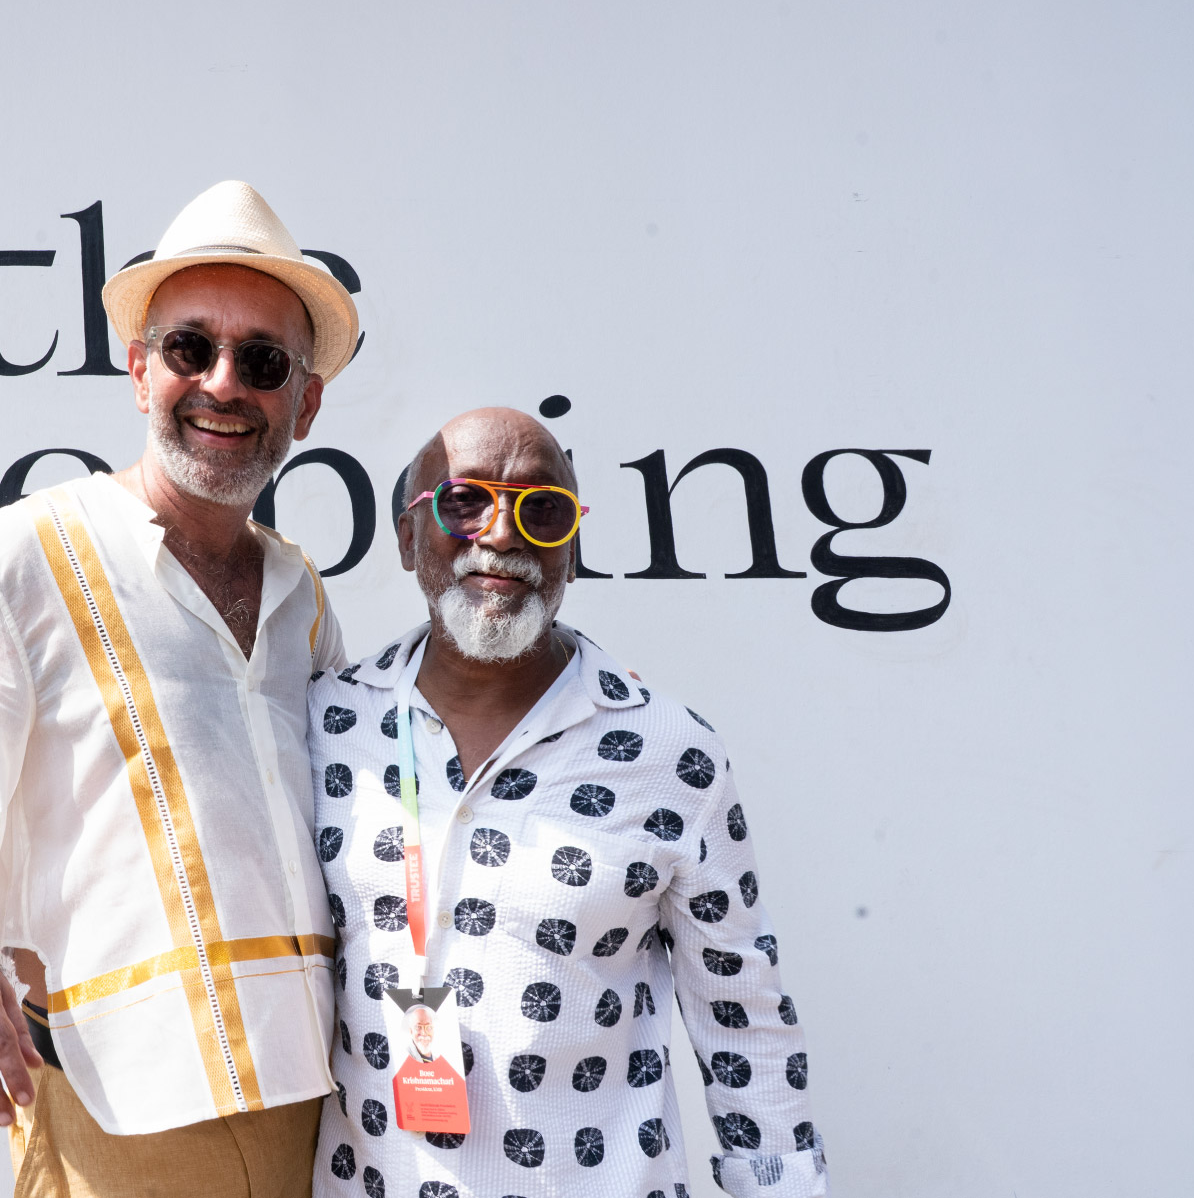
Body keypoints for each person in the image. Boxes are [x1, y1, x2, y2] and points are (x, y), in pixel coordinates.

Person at [0, 180, 360, 1198]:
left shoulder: (300, 590)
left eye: (260, 360)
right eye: (188, 347)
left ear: (302, 402)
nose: (222, 381)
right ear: (139, 371)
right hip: (117, 1108)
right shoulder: (23, 553)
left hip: (319, 1105)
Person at [311, 408, 829, 1197]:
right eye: (465, 501)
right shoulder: (326, 724)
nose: (502, 533)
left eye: (541, 509)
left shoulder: (671, 754)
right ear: (408, 536)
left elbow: (743, 1015)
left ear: (573, 552)